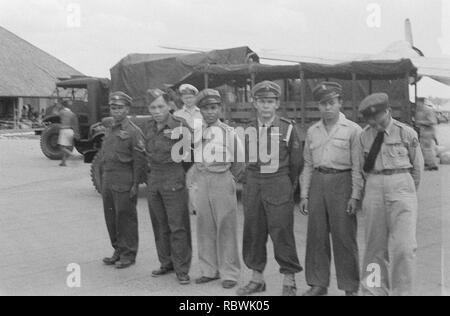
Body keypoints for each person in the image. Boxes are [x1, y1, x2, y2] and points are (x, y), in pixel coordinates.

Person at [237, 81, 303, 297]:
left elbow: (296, 163)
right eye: (262, 101)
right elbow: (239, 158)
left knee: (282, 231)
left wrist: (286, 184)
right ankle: (257, 279)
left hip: (278, 181)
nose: (266, 106)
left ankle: (289, 281)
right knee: (253, 232)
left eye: (271, 101)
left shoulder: (288, 127)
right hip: (254, 183)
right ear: (255, 103)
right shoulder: (246, 128)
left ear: (277, 104)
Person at [299, 82, 363, 297]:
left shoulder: (353, 130)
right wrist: (304, 194)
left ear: (340, 103)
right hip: (318, 180)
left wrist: (355, 195)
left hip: (342, 182)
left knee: (344, 237)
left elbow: (357, 166)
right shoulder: (312, 131)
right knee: (316, 236)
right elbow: (307, 164)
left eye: (331, 103)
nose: (327, 108)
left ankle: (350, 286)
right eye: (322, 104)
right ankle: (318, 283)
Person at [359, 93, 424, 296]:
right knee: (374, 248)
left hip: (402, 186)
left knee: (405, 248)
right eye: (370, 119)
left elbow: (417, 169)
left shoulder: (407, 133)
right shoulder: (364, 136)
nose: (374, 122)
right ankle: (374, 290)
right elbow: (362, 168)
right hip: (374, 186)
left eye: (377, 117)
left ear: (388, 111)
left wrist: (404, 190)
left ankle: (402, 293)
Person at [193, 89, 244, 290]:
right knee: (204, 225)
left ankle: (230, 272)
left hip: (222, 178)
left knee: (226, 226)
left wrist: (230, 179)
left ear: (220, 108)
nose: (210, 112)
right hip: (202, 179)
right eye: (205, 108)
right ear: (200, 111)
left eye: (213, 107)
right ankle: (208, 270)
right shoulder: (196, 132)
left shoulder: (229, 132)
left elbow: (239, 161)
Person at [143, 90, 193, 285]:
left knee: (177, 226)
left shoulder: (180, 125)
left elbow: (190, 156)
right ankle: (166, 262)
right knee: (159, 224)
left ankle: (182, 269)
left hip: (173, 176)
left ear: (169, 105)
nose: (157, 111)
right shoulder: (147, 126)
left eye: (160, 106)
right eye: (153, 107)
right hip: (154, 178)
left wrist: (178, 173)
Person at [100, 92, 147, 269]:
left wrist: (135, 184)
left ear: (127, 109)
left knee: (125, 218)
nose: (116, 111)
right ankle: (118, 249)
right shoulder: (110, 129)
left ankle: (129, 254)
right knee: (111, 217)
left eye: (120, 107)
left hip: (124, 179)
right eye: (113, 107)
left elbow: (140, 160)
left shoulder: (134, 131)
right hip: (108, 179)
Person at [174, 84, 204, 216]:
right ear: (181, 99)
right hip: (183, 149)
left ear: (195, 97)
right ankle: (187, 206)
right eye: (185, 97)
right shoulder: (177, 114)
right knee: (184, 179)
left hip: (198, 148)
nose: (188, 100)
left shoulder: (201, 112)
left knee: (195, 179)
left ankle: (196, 207)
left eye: (191, 97)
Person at [57, 100, 79, 167]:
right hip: (70, 131)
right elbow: (75, 124)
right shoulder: (72, 113)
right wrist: (76, 133)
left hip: (64, 130)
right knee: (65, 147)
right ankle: (63, 162)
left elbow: (54, 113)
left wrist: (57, 107)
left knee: (61, 147)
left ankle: (72, 155)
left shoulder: (62, 112)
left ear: (63, 106)